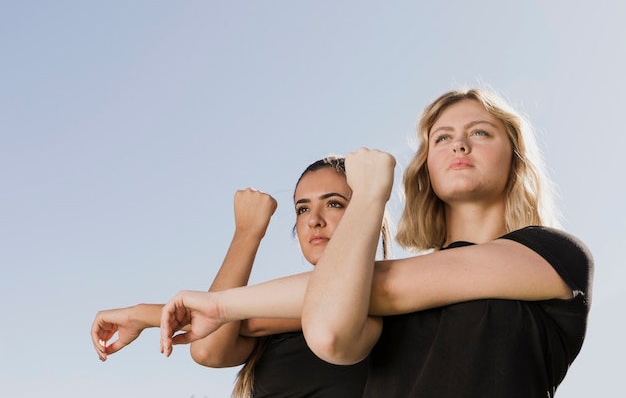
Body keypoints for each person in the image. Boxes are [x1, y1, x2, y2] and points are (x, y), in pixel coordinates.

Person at [159, 88, 593, 398]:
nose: (459, 142)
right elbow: (313, 317)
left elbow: (365, 294)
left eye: (481, 132)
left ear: (515, 157)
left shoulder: (553, 256)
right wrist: (193, 309)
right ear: (425, 168)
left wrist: (218, 305)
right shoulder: (381, 305)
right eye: (441, 137)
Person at [91, 156, 392, 398]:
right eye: (302, 208)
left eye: (334, 203)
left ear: (364, 212)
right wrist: (247, 234)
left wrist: (144, 314)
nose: (313, 220)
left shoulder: (390, 294)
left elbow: (329, 306)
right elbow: (208, 348)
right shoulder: (267, 320)